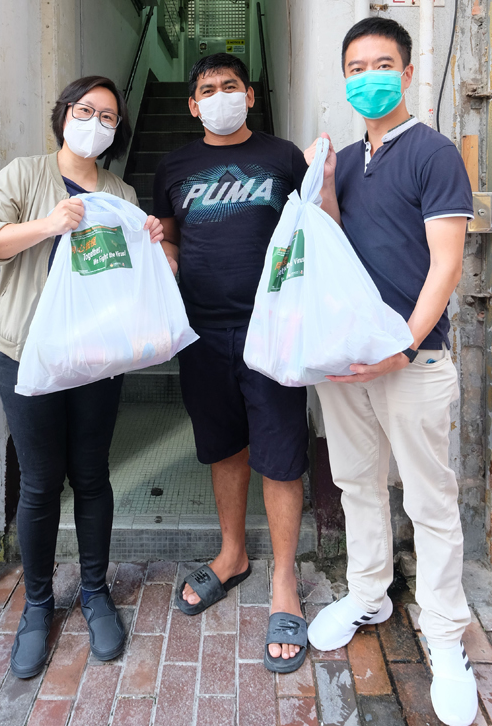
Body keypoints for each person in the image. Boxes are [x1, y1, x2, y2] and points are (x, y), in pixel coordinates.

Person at [303, 18, 478, 725]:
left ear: (408, 74)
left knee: (430, 504)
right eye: (355, 66)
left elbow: (446, 265)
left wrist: (401, 347)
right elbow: (337, 247)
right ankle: (369, 593)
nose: (367, 76)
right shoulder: (345, 158)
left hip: (414, 359)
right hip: (348, 363)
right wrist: (321, 188)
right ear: (343, 79)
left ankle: (444, 636)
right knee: (356, 485)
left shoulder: (434, 154)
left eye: (382, 63)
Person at [0, 76, 164, 679]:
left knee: (94, 475)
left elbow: (124, 272)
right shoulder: (25, 176)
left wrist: (150, 241)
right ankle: (39, 606)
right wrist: (48, 225)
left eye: (108, 115)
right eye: (85, 109)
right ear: (63, 114)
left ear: (118, 128)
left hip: (97, 358)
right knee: (42, 484)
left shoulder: (122, 190)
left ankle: (96, 591)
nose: (96, 121)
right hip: (28, 355)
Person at [151, 53, 312, 672]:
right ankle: (233, 555)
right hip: (201, 331)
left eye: (229, 86)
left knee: (279, 451)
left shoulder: (283, 158)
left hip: (270, 330)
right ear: (192, 105)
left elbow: (309, 231)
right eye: (207, 89)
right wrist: (164, 253)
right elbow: (166, 233)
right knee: (224, 447)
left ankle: (284, 582)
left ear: (249, 95)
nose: (219, 95)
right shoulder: (174, 165)